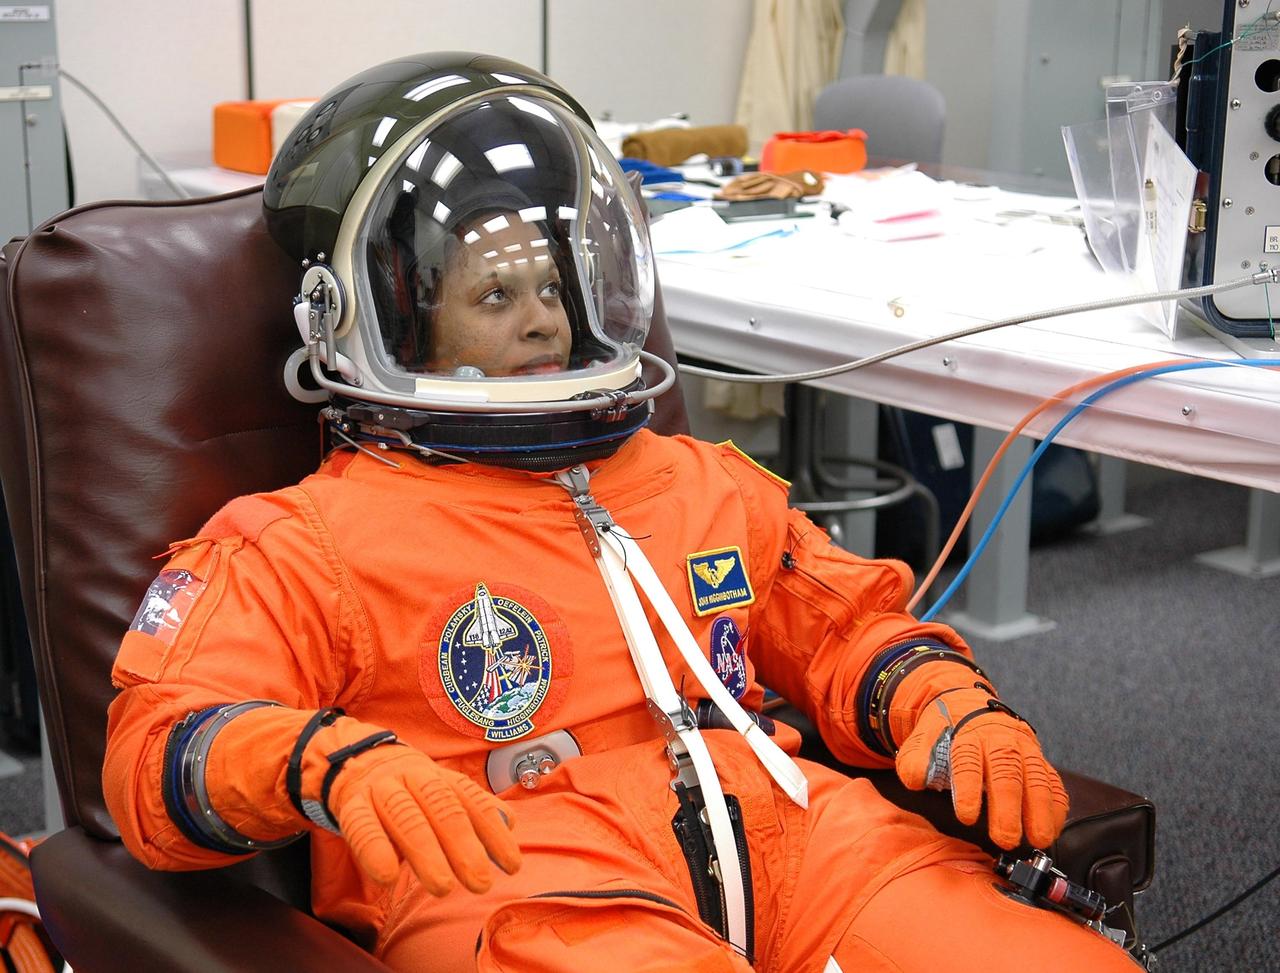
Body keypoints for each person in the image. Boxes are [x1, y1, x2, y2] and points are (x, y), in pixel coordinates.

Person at [102, 53, 1138, 972]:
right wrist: (320, 763)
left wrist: (939, 698)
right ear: (384, 314)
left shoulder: (696, 481)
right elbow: (159, 753)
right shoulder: (306, 542)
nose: (544, 316)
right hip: (522, 880)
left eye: (552, 284)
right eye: (494, 295)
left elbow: (844, 626)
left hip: (795, 835)